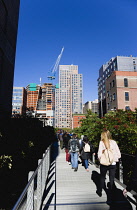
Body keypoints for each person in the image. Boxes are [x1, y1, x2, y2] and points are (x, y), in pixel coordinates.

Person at [97, 130, 121, 197]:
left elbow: (99, 154)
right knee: (112, 178)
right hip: (112, 163)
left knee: (102, 177)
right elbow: (118, 153)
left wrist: (100, 159)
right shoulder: (114, 142)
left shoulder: (101, 142)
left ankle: (100, 190)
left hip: (104, 163)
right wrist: (116, 158)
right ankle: (112, 192)